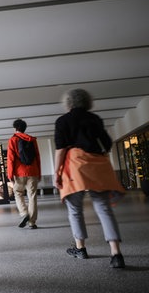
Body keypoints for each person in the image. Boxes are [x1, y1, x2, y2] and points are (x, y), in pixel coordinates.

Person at [53, 88, 125, 268]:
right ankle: (116, 253)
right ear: (87, 102)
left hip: (75, 166)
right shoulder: (94, 119)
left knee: (75, 209)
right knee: (104, 208)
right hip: (97, 165)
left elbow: (61, 149)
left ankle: (81, 249)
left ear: (68, 103)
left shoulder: (63, 121)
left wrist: (56, 173)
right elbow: (107, 144)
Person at [7, 118, 41, 229]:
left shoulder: (12, 140)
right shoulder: (32, 140)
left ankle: (24, 213)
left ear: (15, 128)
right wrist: (39, 172)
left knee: (18, 193)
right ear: (25, 128)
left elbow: (10, 159)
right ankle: (32, 222)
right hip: (33, 171)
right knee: (32, 196)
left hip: (19, 172)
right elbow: (37, 157)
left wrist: (10, 175)